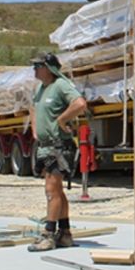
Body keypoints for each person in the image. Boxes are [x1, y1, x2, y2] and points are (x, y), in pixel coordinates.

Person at [26, 52, 87, 252]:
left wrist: (62, 120)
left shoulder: (61, 85)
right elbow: (33, 108)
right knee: (57, 191)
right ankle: (65, 233)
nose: (35, 70)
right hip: (46, 147)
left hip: (59, 146)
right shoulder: (41, 89)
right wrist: (35, 130)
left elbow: (80, 104)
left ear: (49, 68)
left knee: (51, 191)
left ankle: (49, 235)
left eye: (38, 66)